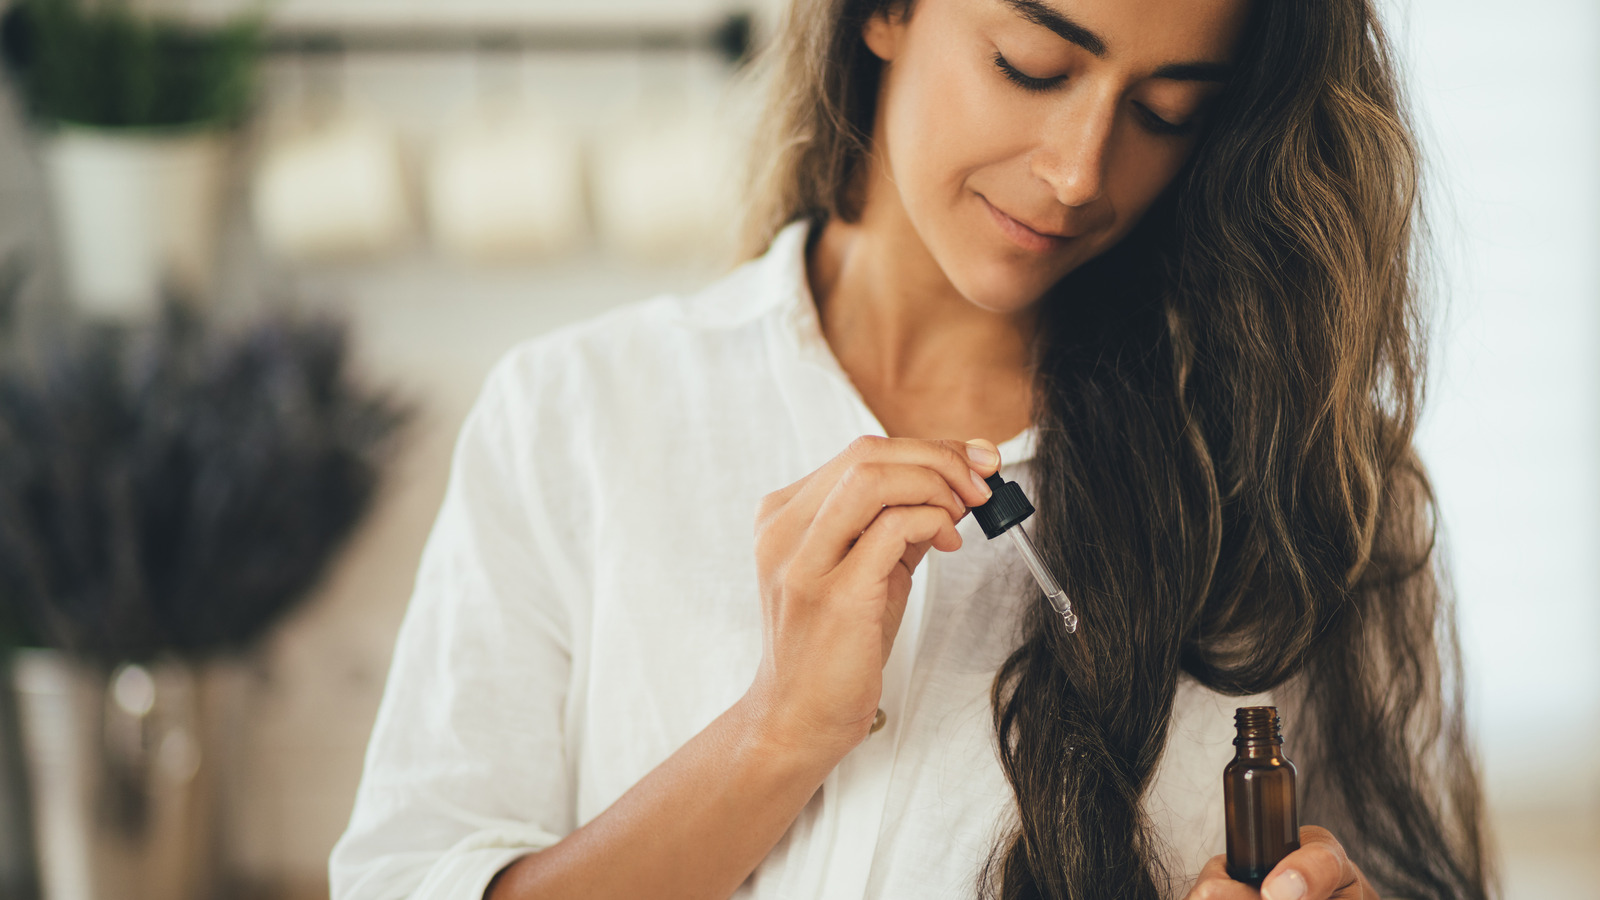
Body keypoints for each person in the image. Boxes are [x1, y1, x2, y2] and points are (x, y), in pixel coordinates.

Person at [330, 0, 1493, 898]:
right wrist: (776, 733)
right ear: (884, 9)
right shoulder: (576, 416)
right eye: (1032, 66)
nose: (1081, 169)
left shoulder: (1309, 496)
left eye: (1164, 113)